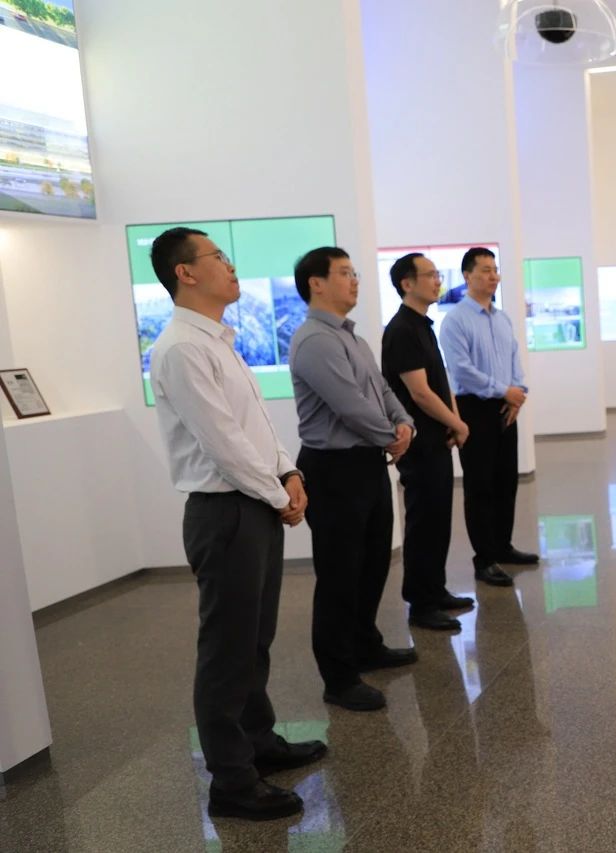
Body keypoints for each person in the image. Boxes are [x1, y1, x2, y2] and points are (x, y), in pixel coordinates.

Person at [148, 227, 324, 821]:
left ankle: (258, 742)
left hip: (254, 503)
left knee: (254, 640)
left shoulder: (218, 340)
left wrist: (288, 472)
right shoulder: (181, 348)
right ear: (185, 273)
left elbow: (255, 427)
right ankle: (231, 781)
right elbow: (222, 442)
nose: (230, 265)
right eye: (218, 256)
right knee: (226, 652)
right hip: (225, 512)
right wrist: (278, 494)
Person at [289, 247, 418, 713]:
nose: (355, 280)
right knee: (340, 575)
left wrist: (404, 424)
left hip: (366, 463)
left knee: (372, 564)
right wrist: (391, 436)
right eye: (344, 273)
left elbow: (381, 390)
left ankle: (365, 645)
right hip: (334, 469)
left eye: (354, 272)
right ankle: (339, 677)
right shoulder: (314, 341)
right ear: (316, 283)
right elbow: (349, 405)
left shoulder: (354, 339)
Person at [382, 252, 475, 631]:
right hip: (418, 443)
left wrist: (453, 419)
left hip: (436, 437)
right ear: (407, 284)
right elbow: (419, 393)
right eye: (430, 275)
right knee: (423, 521)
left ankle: (435, 590)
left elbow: (439, 380)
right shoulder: (402, 330)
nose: (438, 281)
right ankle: (421, 604)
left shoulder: (423, 325)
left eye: (438, 274)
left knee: (438, 518)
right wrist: (458, 424)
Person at [438, 247, 540, 588]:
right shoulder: (456, 320)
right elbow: (462, 371)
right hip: (475, 409)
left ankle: (502, 546)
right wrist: (503, 391)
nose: (493, 275)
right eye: (485, 269)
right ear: (467, 276)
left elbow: (514, 359)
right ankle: (484, 559)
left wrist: (518, 392)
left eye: (495, 269)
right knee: (480, 485)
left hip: (506, 407)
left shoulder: (502, 318)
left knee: (505, 481)